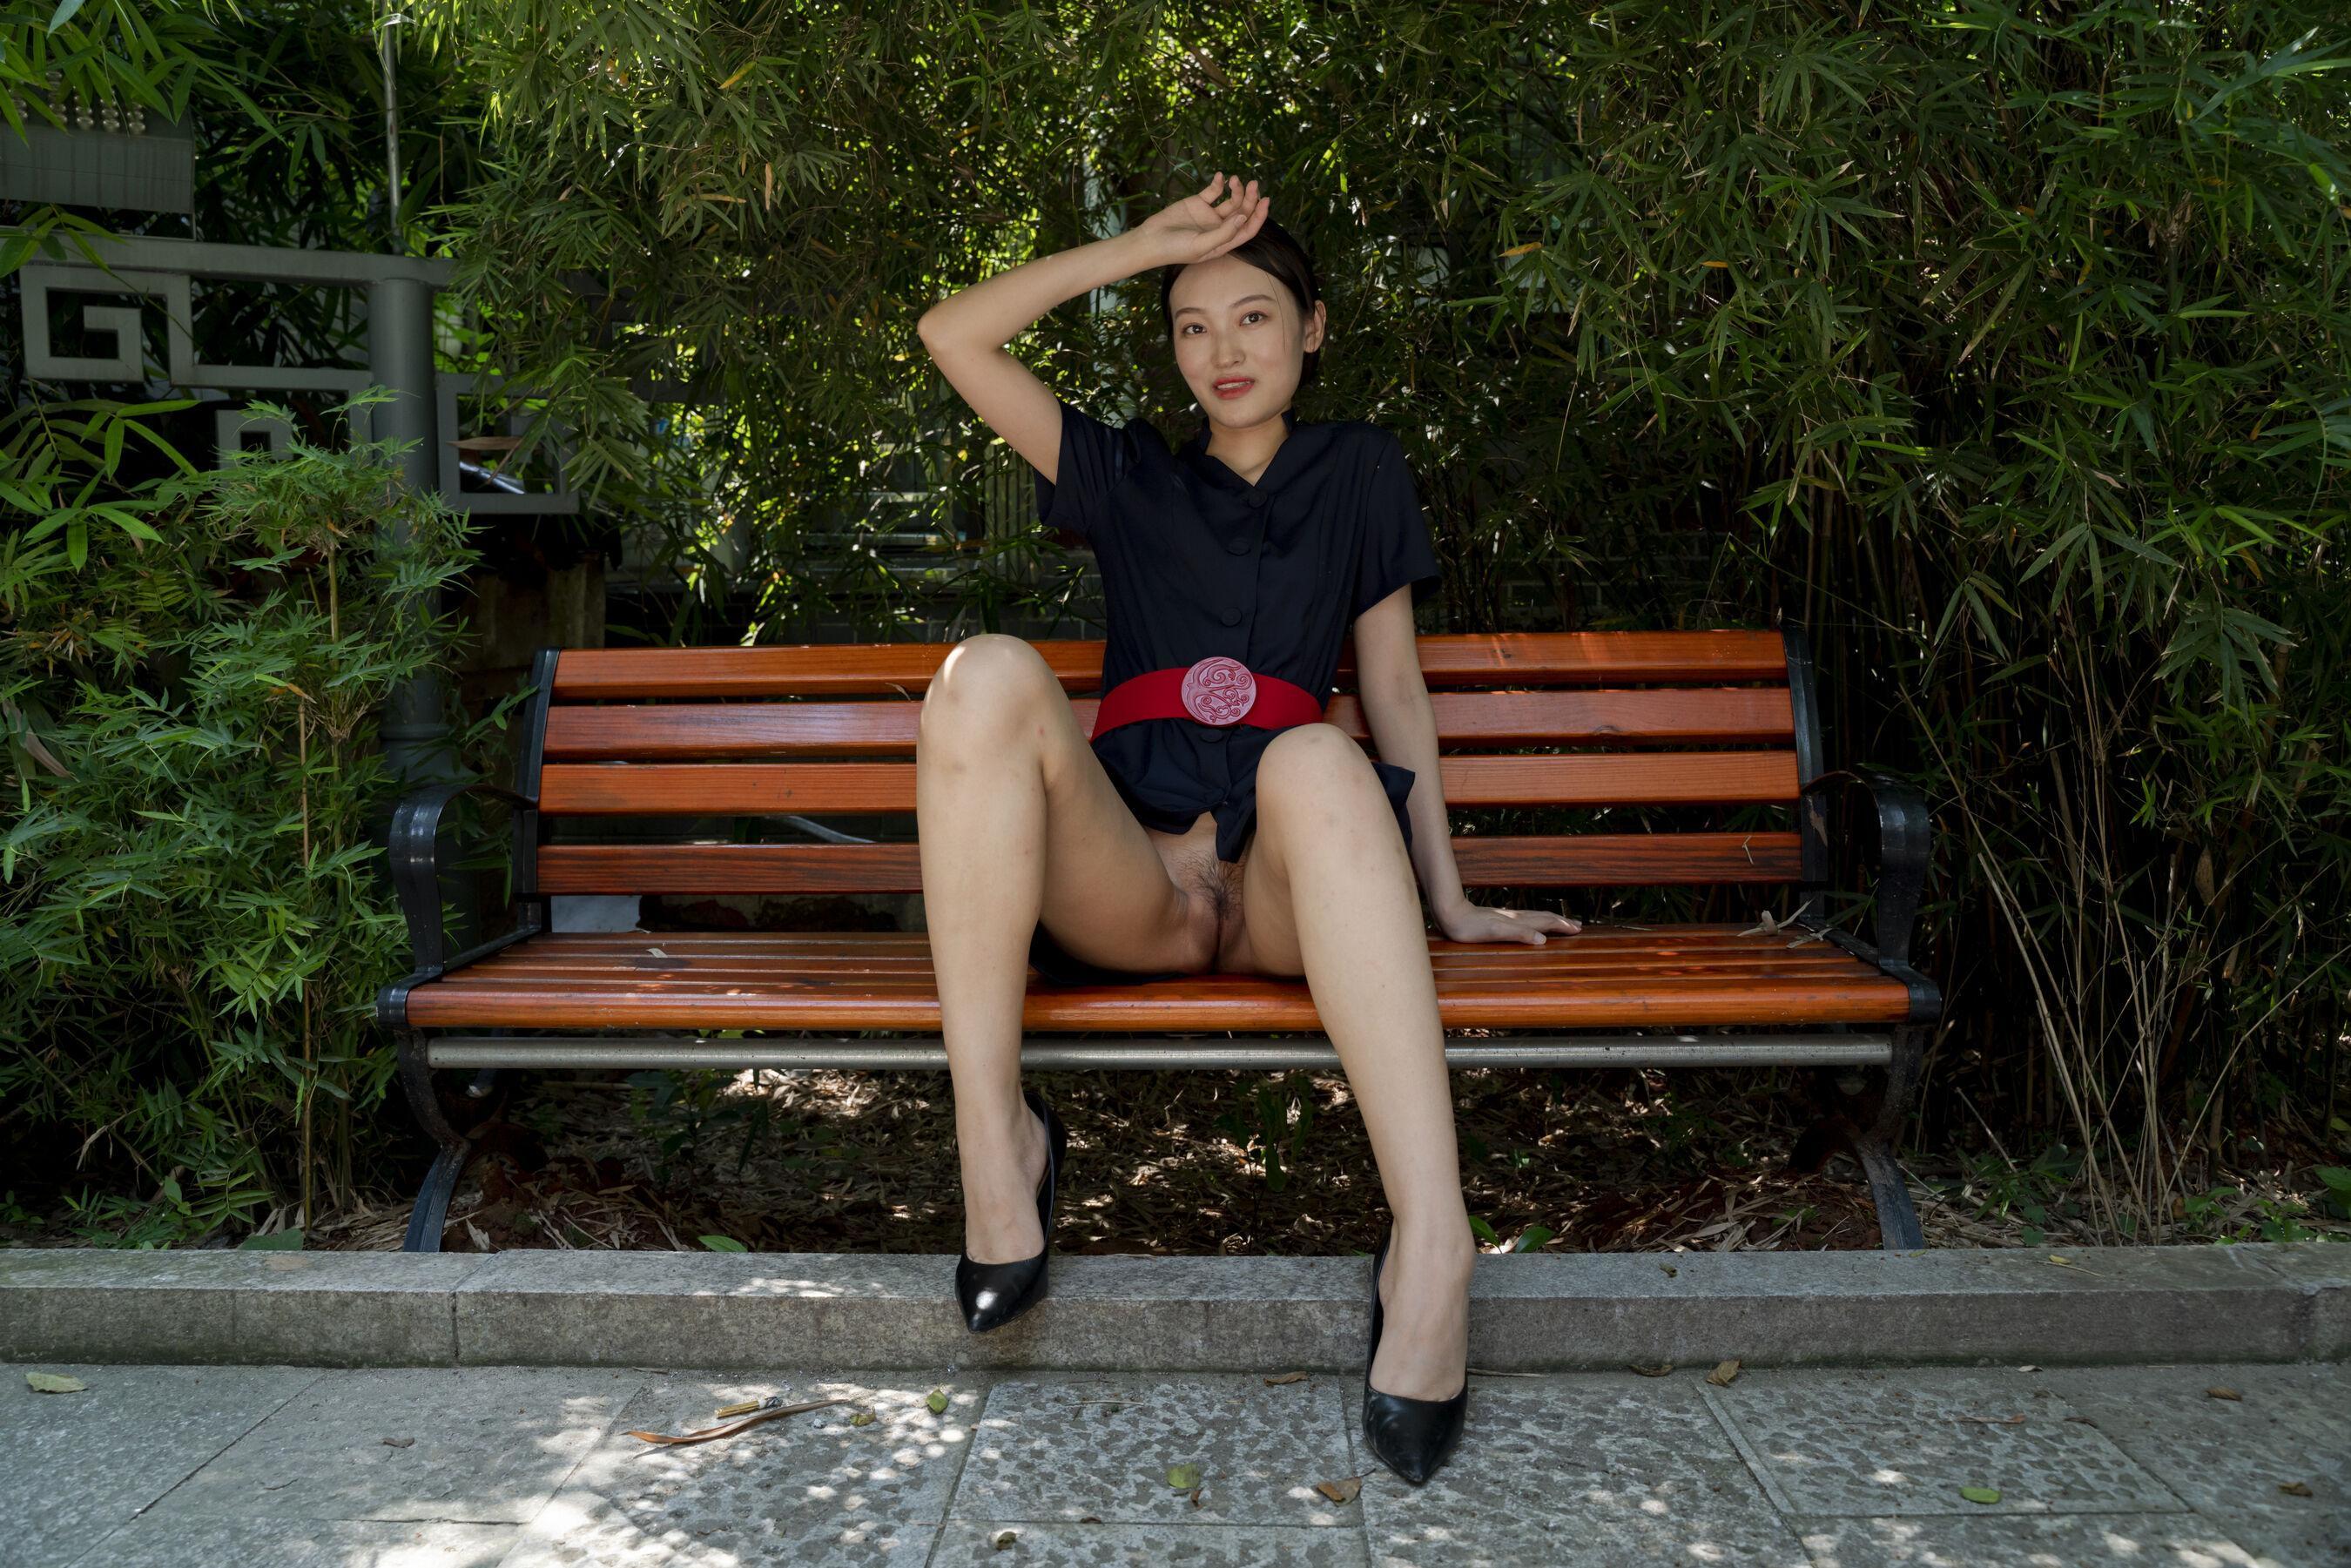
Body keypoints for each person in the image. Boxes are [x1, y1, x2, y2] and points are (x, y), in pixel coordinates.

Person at [913, 172, 1580, 1485]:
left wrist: (1449, 895)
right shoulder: (1125, 476)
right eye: (1192, 324)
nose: (1223, 349)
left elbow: (1395, 692)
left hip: (1280, 885)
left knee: (1322, 752)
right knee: (980, 673)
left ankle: (1433, 1247)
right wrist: (1136, 246)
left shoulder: (1360, 469)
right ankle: (999, 1156)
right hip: (1133, 880)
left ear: (1313, 329)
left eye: (1255, 316)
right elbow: (952, 334)